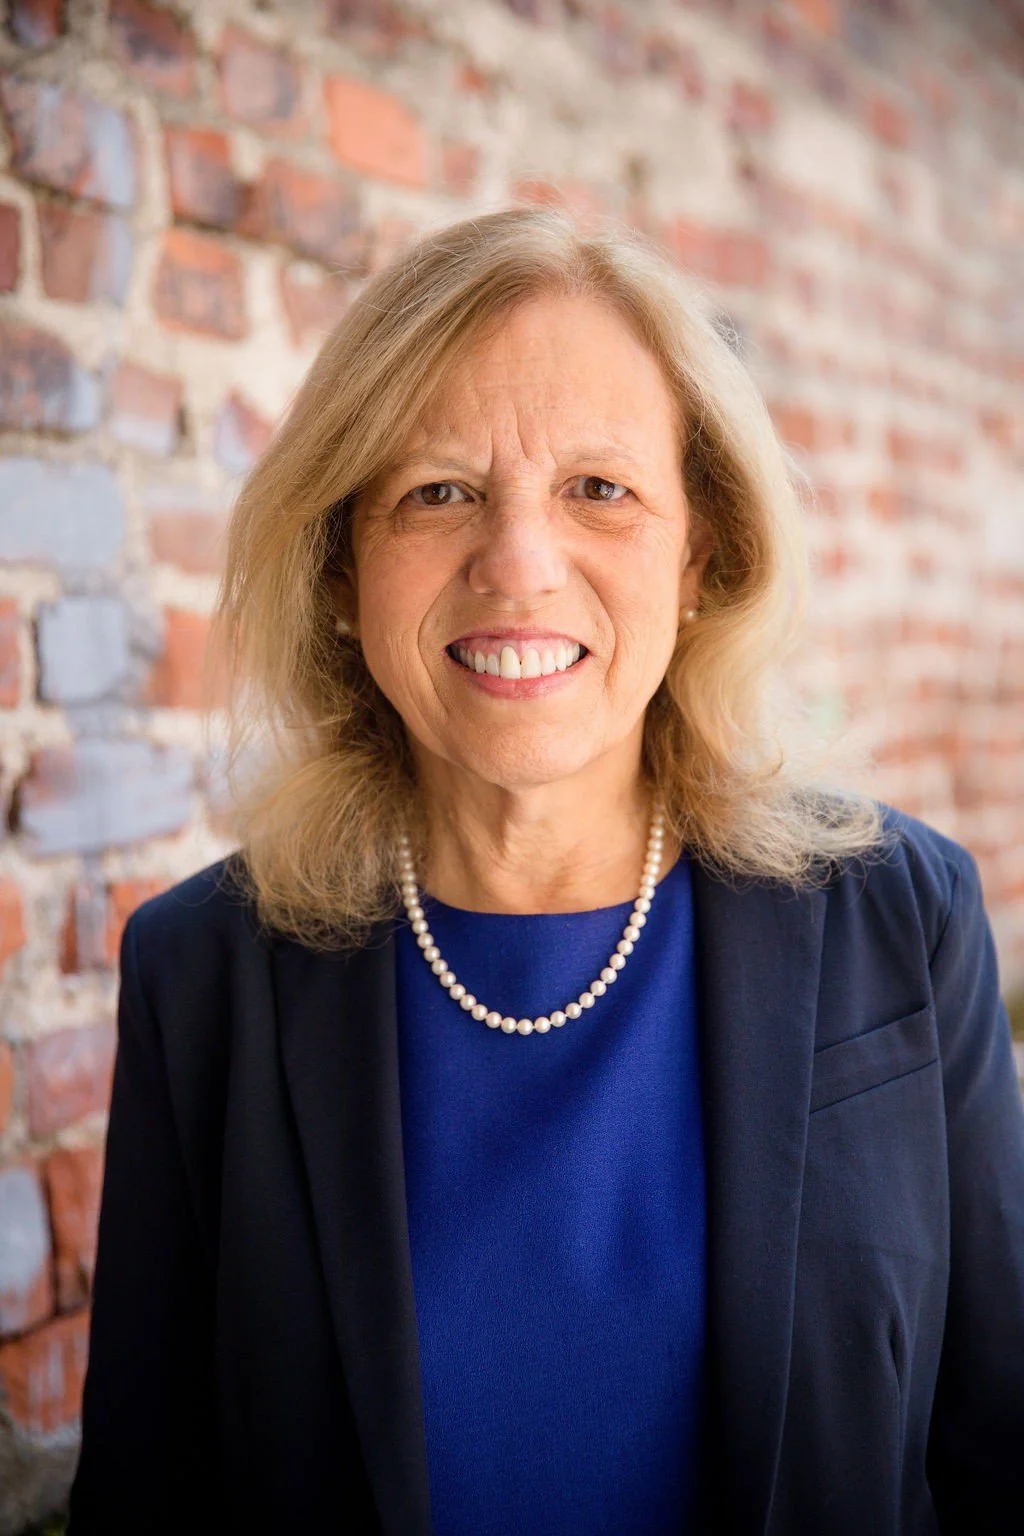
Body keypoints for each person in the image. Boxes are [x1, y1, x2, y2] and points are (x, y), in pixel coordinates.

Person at [68, 207, 1024, 1535]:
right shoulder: (204, 974)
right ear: (342, 567)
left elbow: (999, 1443)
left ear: (702, 555)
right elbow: (147, 1499)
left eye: (600, 489)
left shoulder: (900, 918)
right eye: (440, 490)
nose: (517, 563)